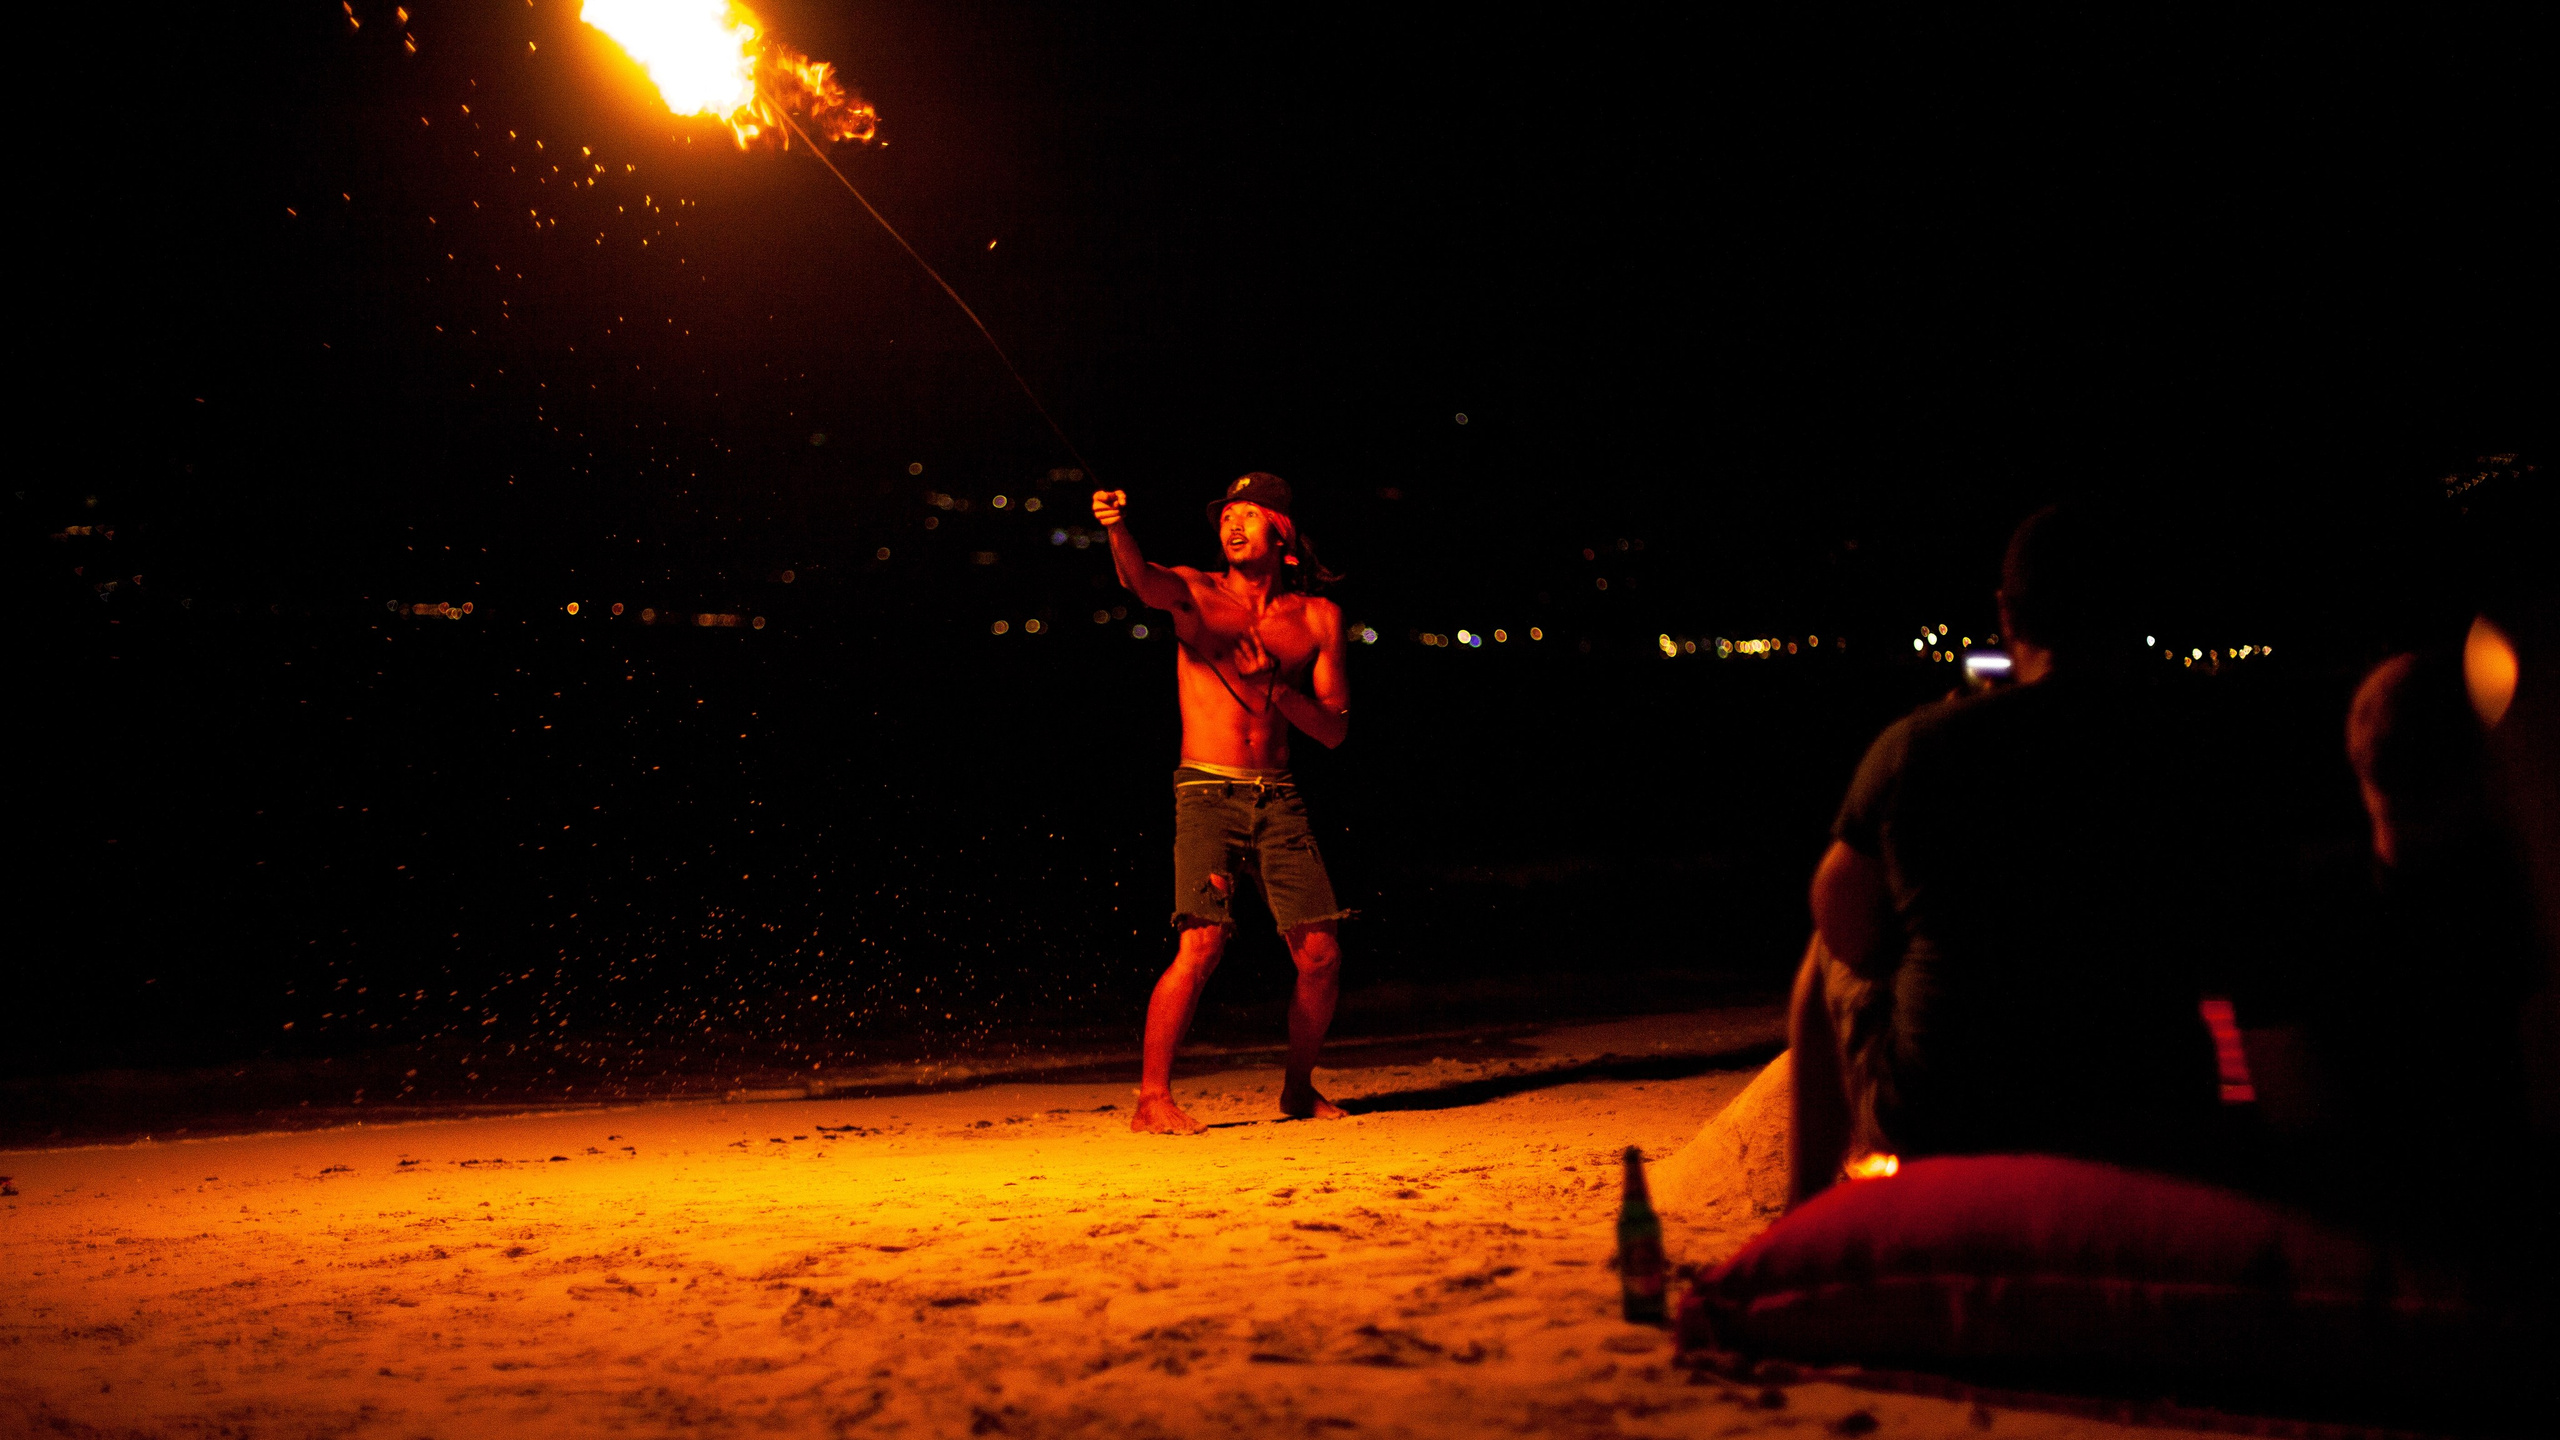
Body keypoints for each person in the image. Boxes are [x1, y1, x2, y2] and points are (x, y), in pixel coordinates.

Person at [1788, 505, 2227, 1204]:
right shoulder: (2190, 754)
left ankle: (1802, 1210)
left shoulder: (1919, 745)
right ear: (2125, 617)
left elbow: (1838, 913)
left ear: (2008, 615)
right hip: (2152, 1104)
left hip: (1951, 1117)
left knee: (1821, 956)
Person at [1093, 473, 1355, 1135]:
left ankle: (1298, 1089)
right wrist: (1117, 528)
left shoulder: (1318, 618)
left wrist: (1275, 689)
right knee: (1202, 944)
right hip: (1206, 790)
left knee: (1321, 956)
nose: (1232, 525)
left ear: (1282, 532)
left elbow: (1334, 730)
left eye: (1248, 514)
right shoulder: (1195, 592)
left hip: (1280, 796)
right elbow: (1138, 582)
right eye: (1225, 515)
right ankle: (1152, 1100)